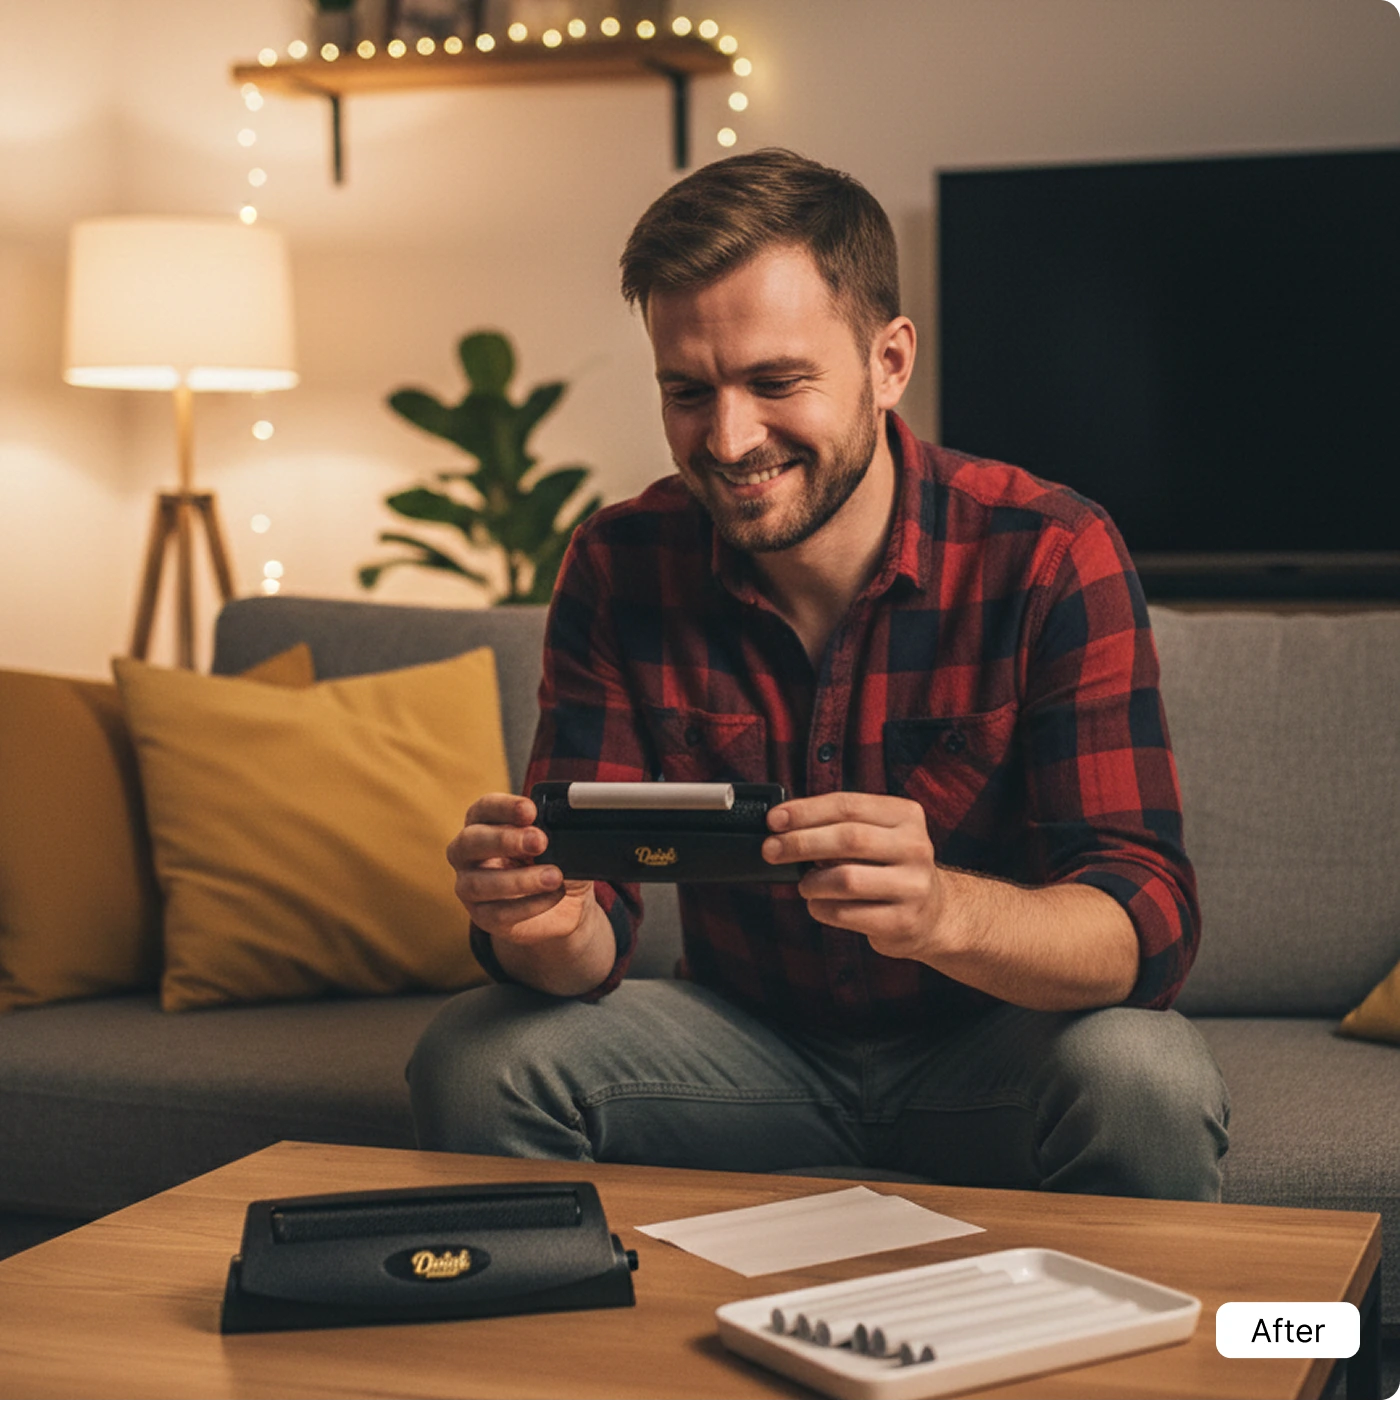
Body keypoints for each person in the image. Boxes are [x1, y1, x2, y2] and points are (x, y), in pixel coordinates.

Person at [409, 148, 1229, 1199]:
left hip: (998, 1053)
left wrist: (942, 912)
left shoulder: (1049, 551)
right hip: (740, 1054)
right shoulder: (618, 562)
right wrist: (542, 924)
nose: (727, 438)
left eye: (775, 382)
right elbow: (590, 926)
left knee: (1144, 1074)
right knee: (475, 1056)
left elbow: (1144, 916)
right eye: (687, 391)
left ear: (889, 363)